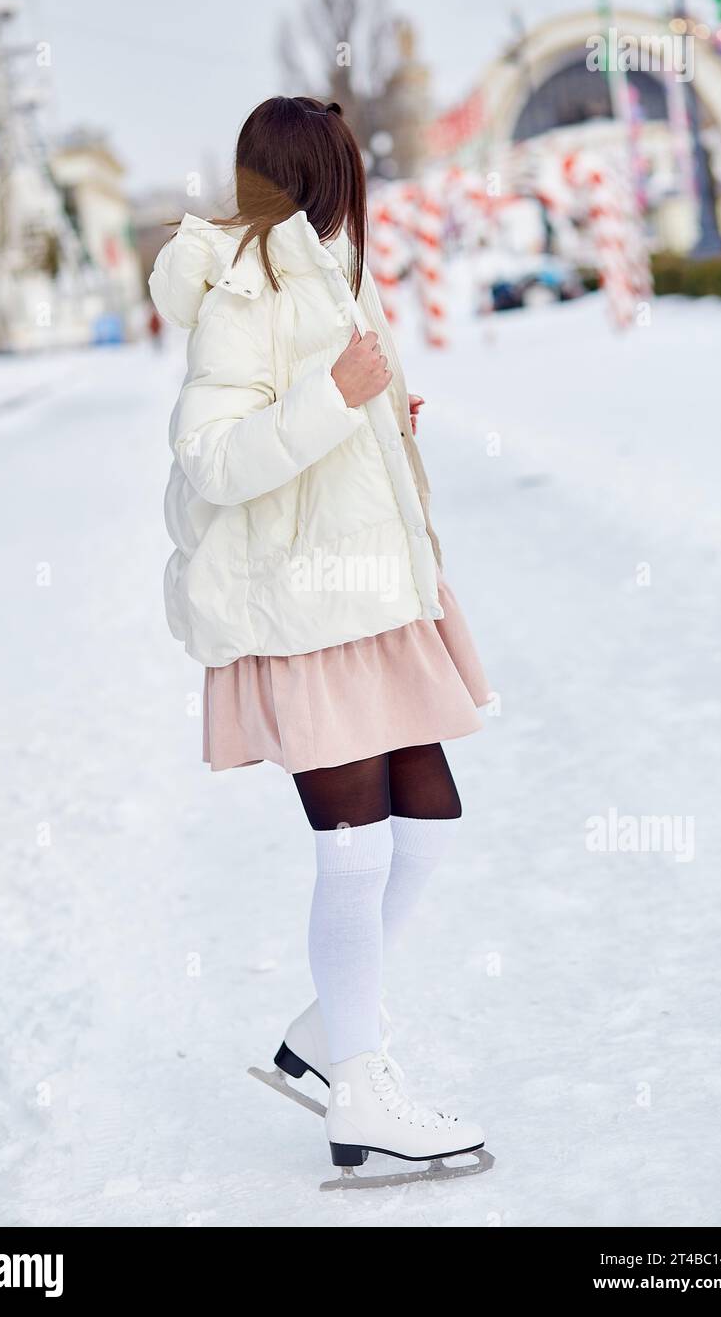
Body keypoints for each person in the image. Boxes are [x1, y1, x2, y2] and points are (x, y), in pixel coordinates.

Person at [150, 96, 491, 1183]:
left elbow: (324, 422)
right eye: (343, 169)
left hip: (374, 599)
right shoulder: (243, 291)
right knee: (354, 851)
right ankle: (360, 1087)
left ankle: (318, 1032)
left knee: (426, 821)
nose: (357, 187)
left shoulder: (331, 270)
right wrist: (335, 400)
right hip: (302, 615)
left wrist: (379, 421)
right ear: (313, 176)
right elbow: (211, 459)